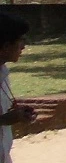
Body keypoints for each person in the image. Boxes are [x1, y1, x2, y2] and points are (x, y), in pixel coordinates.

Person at [0, 12, 36, 163]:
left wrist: (17, 113)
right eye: (20, 40)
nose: (23, 46)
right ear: (6, 46)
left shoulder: (3, 73)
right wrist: (3, 119)